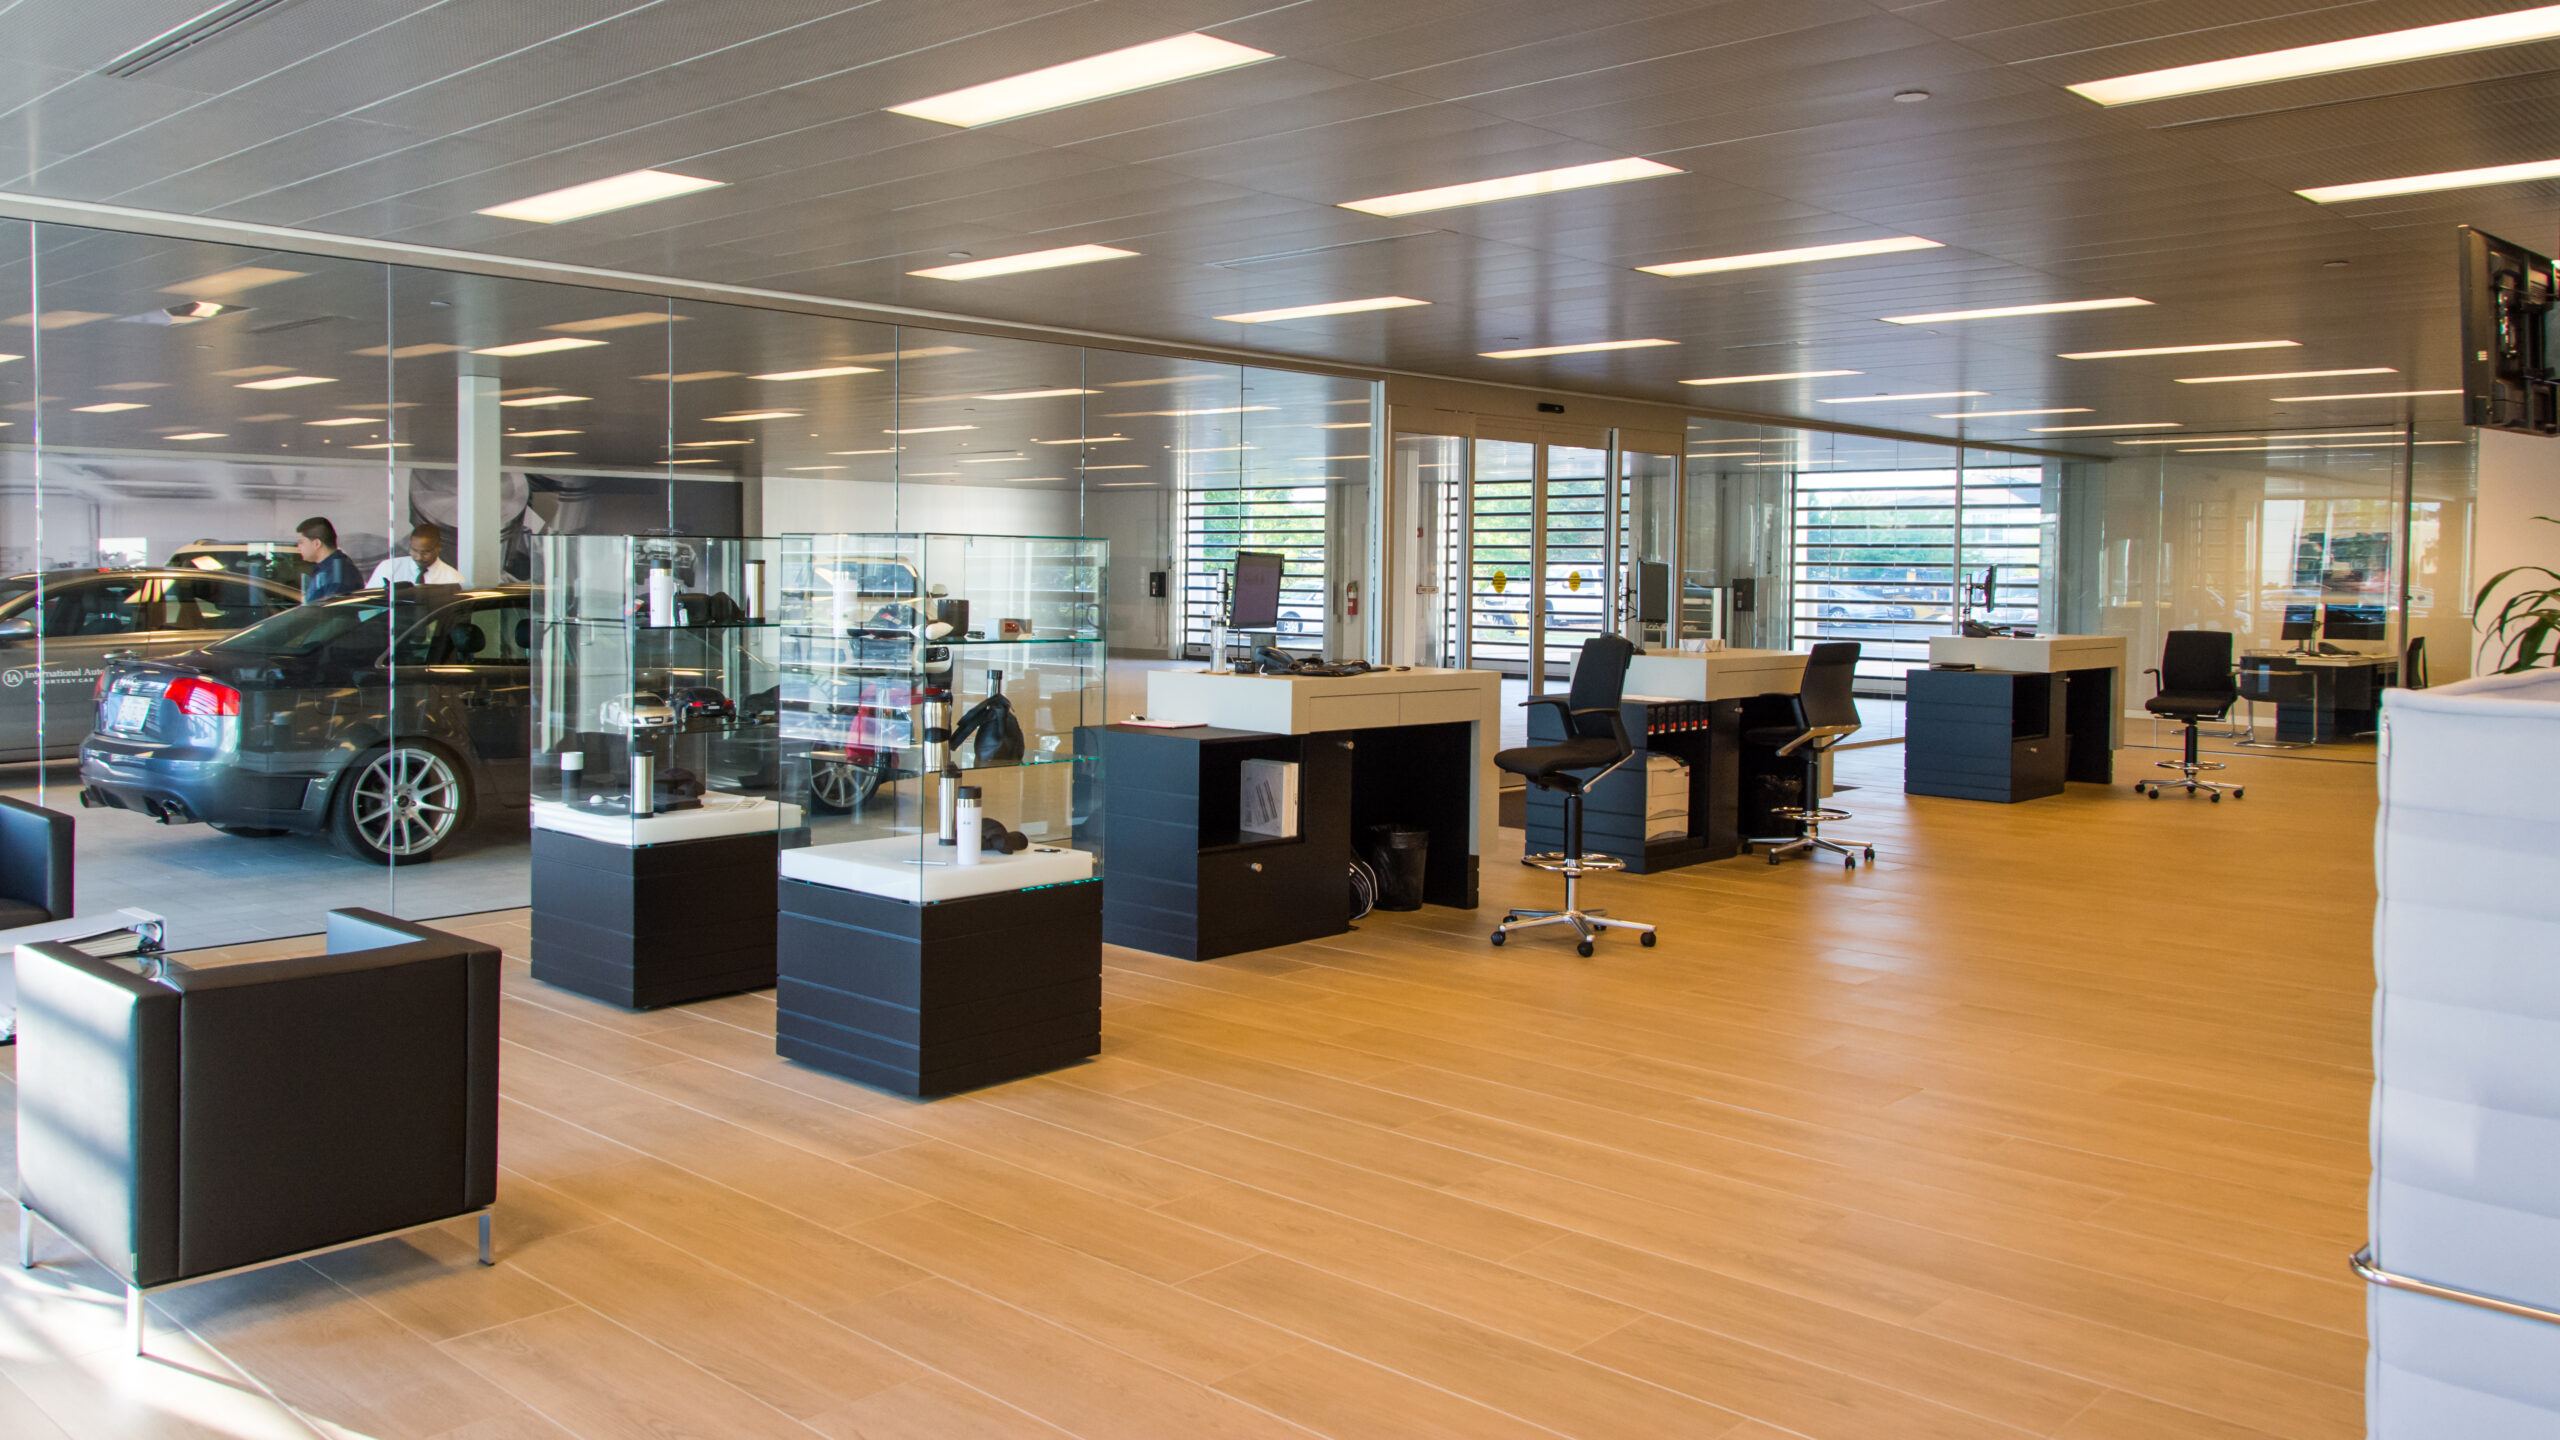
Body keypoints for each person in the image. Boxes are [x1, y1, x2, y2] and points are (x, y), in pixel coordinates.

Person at [367, 523, 464, 588]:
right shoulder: (389, 568)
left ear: (438, 548)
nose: (418, 557)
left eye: (425, 552)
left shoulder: (453, 579)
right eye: (414, 550)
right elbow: (367, 603)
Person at [294, 517, 361, 604]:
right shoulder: (324, 569)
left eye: (301, 542)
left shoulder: (338, 574)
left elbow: (333, 613)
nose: (298, 548)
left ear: (316, 543)